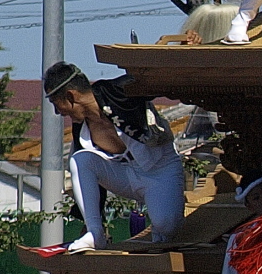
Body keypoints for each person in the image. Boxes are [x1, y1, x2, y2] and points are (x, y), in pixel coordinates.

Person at [43, 61, 185, 251]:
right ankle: (95, 234)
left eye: (55, 103)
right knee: (80, 159)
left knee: (165, 226)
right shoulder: (81, 127)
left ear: (70, 96)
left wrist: (168, 53)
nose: (57, 112)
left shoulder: (118, 91)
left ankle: (165, 218)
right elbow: (89, 178)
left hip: (160, 170)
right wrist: (92, 222)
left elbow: (155, 80)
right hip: (124, 175)